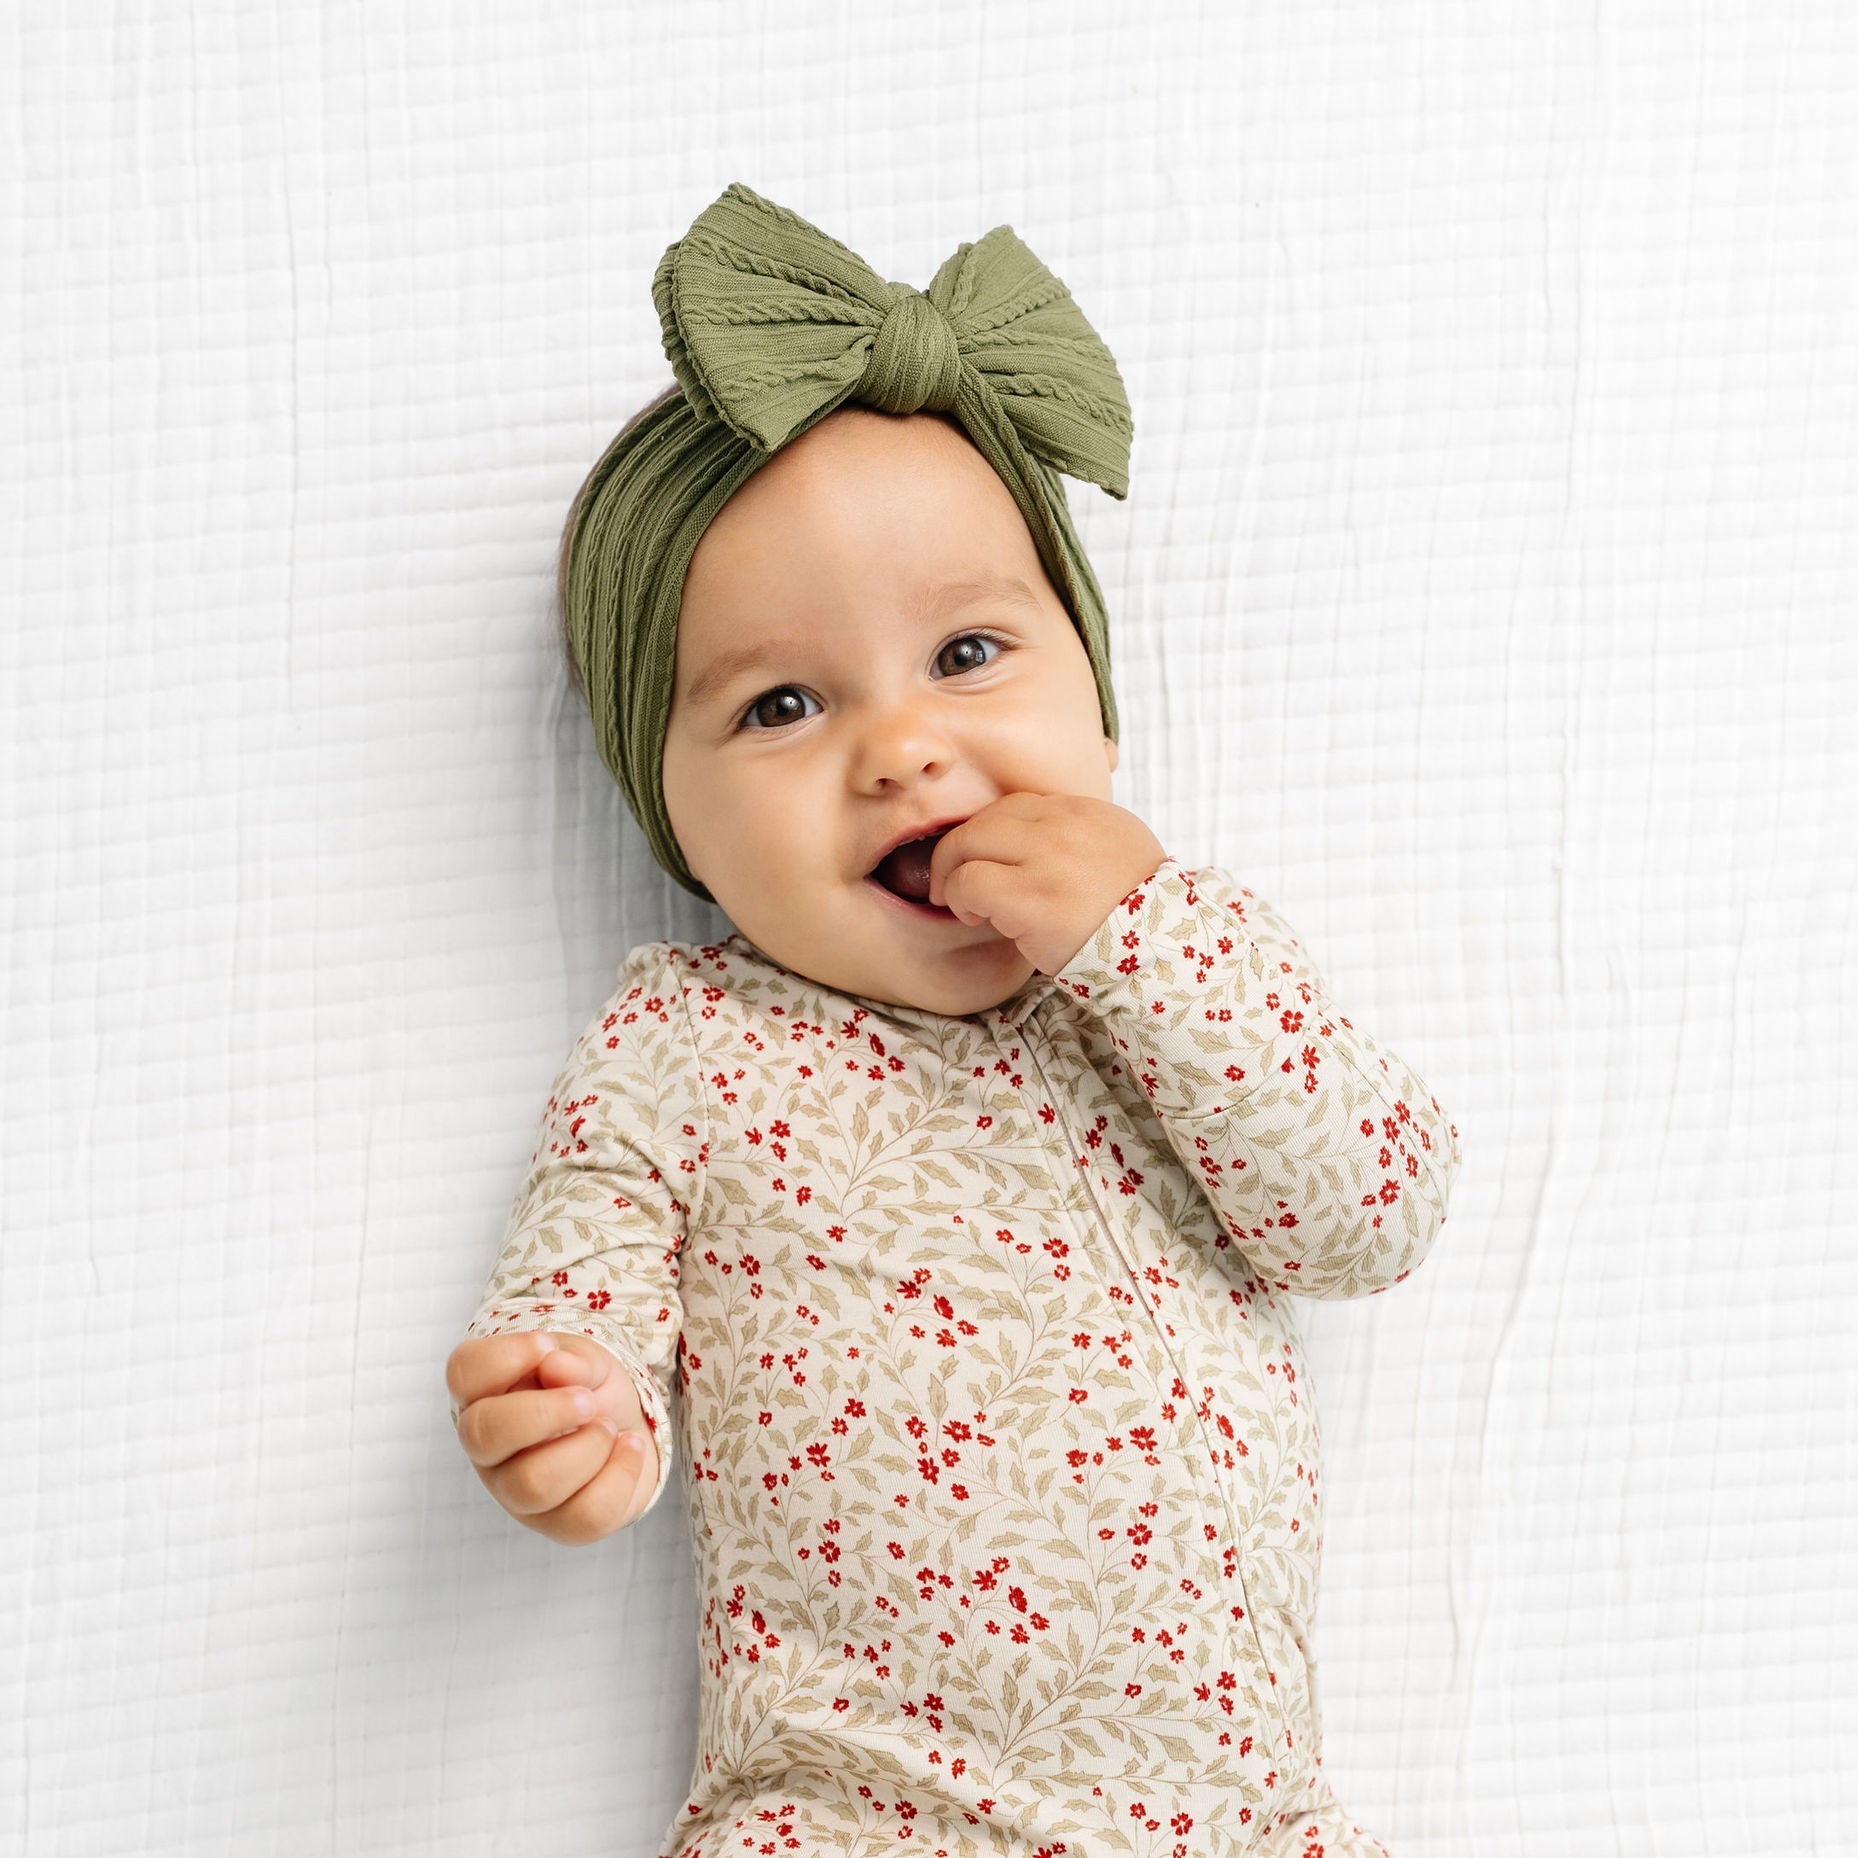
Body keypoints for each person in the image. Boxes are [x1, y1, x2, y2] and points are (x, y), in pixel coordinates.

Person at [444, 181, 1462, 1858]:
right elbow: (582, 1282)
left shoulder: (1174, 977)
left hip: (1237, 1819)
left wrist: (1139, 934)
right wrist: (575, 1409)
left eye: (971, 650)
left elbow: (1370, 1210)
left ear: (1095, 694)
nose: (906, 749)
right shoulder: (686, 1044)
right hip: (855, 1810)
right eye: (782, 702)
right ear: (670, 816)